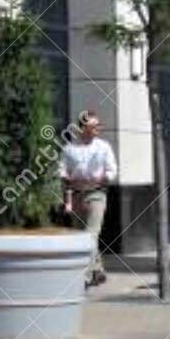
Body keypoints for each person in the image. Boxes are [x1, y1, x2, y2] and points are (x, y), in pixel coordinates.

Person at [61, 109, 117, 288]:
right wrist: (67, 178)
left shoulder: (103, 147)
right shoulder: (70, 149)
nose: (97, 129)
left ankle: (84, 277)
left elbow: (112, 170)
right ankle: (98, 270)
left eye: (98, 126)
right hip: (76, 194)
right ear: (83, 128)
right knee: (82, 236)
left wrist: (101, 178)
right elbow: (62, 169)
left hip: (96, 193)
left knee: (90, 235)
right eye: (93, 126)